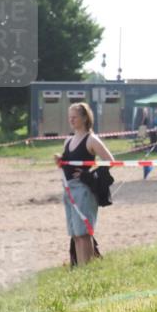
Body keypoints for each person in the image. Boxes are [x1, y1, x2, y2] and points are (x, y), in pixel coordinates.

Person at [55, 102, 115, 266]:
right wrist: (60, 160)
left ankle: (86, 269)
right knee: (75, 232)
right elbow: (67, 163)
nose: (71, 120)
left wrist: (89, 175)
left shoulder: (92, 140)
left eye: (74, 117)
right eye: (69, 117)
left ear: (84, 118)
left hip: (84, 191)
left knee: (84, 232)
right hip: (68, 189)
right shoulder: (68, 141)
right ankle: (81, 268)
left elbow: (110, 161)